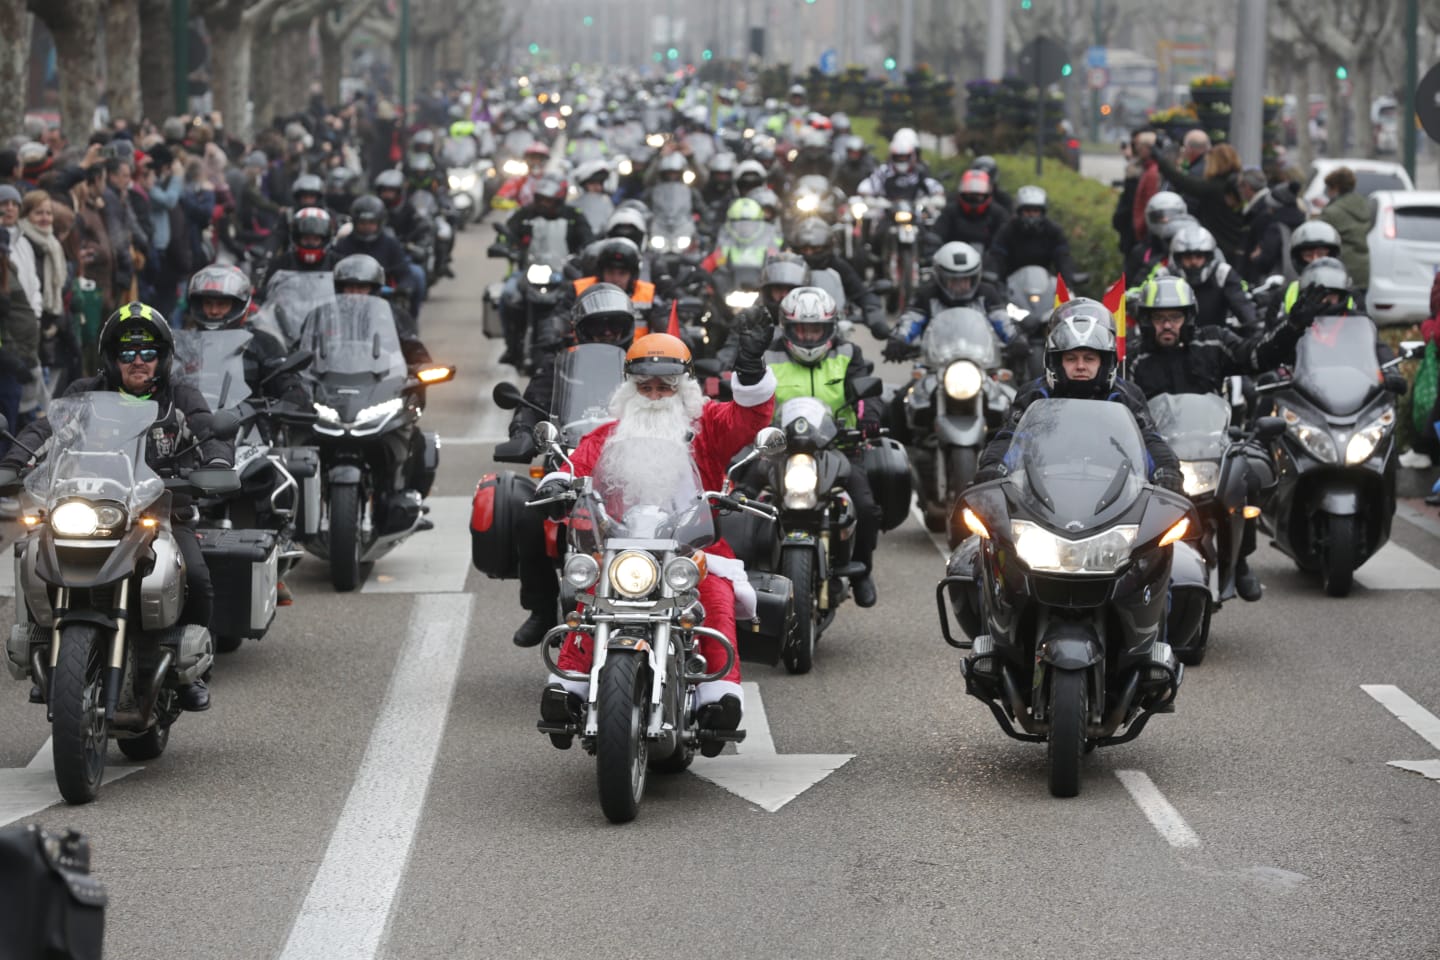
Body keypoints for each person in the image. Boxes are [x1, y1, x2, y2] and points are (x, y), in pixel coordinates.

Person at [537, 327, 777, 750]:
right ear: (630, 390)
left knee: (716, 596)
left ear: (682, 390)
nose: (653, 396)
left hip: (691, 546)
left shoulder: (708, 427)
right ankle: (569, 689)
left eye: (663, 388)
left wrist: (752, 369)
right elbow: (577, 465)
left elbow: (750, 418)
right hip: (622, 544)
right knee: (593, 599)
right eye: (644, 387)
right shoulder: (610, 434)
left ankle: (715, 698)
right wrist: (558, 483)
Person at [2, 302, 233, 711]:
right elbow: (46, 428)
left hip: (161, 512)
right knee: (34, 554)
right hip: (89, 508)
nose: (139, 361)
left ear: (163, 357)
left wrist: (216, 462)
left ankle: (191, 673)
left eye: (148, 353)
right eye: (128, 353)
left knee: (196, 575)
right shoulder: (83, 394)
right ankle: (50, 659)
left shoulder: (179, 395)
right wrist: (13, 461)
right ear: (112, 358)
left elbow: (205, 426)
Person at [1127, 274, 1310, 600]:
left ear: (1189, 318)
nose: (1167, 326)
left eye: (1174, 317)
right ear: (1145, 321)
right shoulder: (1132, 357)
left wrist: (1292, 327)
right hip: (1151, 451)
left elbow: (1258, 356)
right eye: (1158, 318)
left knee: (1252, 476)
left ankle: (1239, 559)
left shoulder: (1212, 342)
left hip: (1210, 447)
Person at [498, 283, 641, 647]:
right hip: (568, 461)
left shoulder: (643, 367)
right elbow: (530, 407)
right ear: (581, 329)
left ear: (627, 328)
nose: (607, 333)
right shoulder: (558, 367)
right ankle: (542, 610)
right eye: (599, 327)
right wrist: (523, 434)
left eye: (614, 326)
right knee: (530, 517)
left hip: (628, 465)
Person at [185, 265, 309, 605]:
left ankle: (276, 549)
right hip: (190, 438)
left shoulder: (262, 344)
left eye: (221, 304)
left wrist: (277, 402)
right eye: (207, 302)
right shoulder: (179, 347)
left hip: (247, 438)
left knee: (276, 478)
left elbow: (293, 387)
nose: (213, 310)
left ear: (239, 304)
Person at [972, 298, 1184, 492]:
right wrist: (994, 466)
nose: (1080, 366)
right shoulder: (1035, 394)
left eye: (1089, 358)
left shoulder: (1127, 395)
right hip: (1041, 492)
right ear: (1057, 361)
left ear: (1104, 362)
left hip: (1116, 492)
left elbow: (1149, 440)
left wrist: (1166, 470)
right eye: (1071, 358)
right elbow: (1011, 438)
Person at [762, 286, 882, 605]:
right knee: (741, 500)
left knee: (866, 507)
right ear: (786, 327)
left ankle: (861, 572)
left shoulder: (847, 354)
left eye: (817, 329)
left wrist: (868, 415)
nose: (809, 336)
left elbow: (867, 394)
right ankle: (743, 573)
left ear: (830, 328)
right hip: (778, 449)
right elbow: (748, 395)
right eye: (802, 329)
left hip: (838, 446)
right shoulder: (768, 355)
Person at [884, 241, 1015, 362]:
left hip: (982, 362)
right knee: (915, 387)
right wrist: (899, 339)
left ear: (975, 277)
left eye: (966, 280)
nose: (960, 286)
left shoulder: (987, 293)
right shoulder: (927, 295)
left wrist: (1015, 338)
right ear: (940, 277)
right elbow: (911, 320)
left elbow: (1001, 320)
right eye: (954, 280)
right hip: (936, 364)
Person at [788, 216, 887, 337]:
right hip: (791, 330)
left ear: (827, 247)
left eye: (816, 248)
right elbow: (772, 296)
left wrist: (873, 312)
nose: (810, 253)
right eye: (804, 249)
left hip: (833, 331)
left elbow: (861, 292)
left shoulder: (837, 266)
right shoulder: (788, 267)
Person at [1154, 141, 1245, 264]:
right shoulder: (1236, 184)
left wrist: (1160, 159)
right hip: (1236, 247)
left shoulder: (1215, 187)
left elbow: (1183, 181)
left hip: (1220, 248)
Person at [1165, 223, 1257, 333]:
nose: (1194, 262)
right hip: (1175, 340)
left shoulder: (1222, 273)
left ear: (1208, 257)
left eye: (1199, 256)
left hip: (1216, 340)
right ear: (1178, 258)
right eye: (1188, 256)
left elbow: (1242, 304)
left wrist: (1254, 327)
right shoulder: (1165, 277)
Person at [988, 185, 1078, 290]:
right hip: (1011, 290)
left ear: (1043, 213)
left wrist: (1067, 284)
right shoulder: (1007, 231)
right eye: (1027, 211)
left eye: (1035, 211)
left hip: (1046, 290)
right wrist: (995, 282)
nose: (1031, 216)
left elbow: (1063, 258)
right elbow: (996, 258)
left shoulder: (1054, 231)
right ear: (1019, 212)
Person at [1236, 166, 1305, 285]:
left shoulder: (1274, 227)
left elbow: (1265, 260)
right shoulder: (1301, 221)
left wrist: (1256, 256)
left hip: (1274, 282)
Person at [1318, 166, 1373, 301]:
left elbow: (1318, 235)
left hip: (1341, 270)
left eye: (1329, 188)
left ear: (1335, 188)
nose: (1328, 192)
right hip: (1363, 271)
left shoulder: (1332, 212)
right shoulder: (1364, 206)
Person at [856, 128, 945, 204]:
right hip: (887, 215)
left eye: (906, 157)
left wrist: (934, 199)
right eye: (898, 157)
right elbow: (868, 186)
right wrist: (872, 200)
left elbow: (933, 187)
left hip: (915, 216)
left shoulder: (919, 172)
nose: (902, 160)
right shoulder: (884, 172)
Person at [932, 169, 1009, 255]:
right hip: (953, 260)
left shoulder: (998, 214)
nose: (974, 199)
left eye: (978, 196)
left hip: (988, 262)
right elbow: (937, 234)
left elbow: (1005, 239)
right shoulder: (951, 211)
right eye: (970, 195)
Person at [1125, 190, 1189, 289]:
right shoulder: (1140, 252)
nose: (1165, 220)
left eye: (1172, 215)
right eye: (1159, 216)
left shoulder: (1190, 248)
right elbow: (1128, 286)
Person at [260, 205, 336, 289]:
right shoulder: (282, 263)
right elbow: (264, 292)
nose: (310, 243)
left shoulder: (335, 263)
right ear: (297, 238)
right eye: (306, 239)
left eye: (315, 239)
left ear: (324, 240)